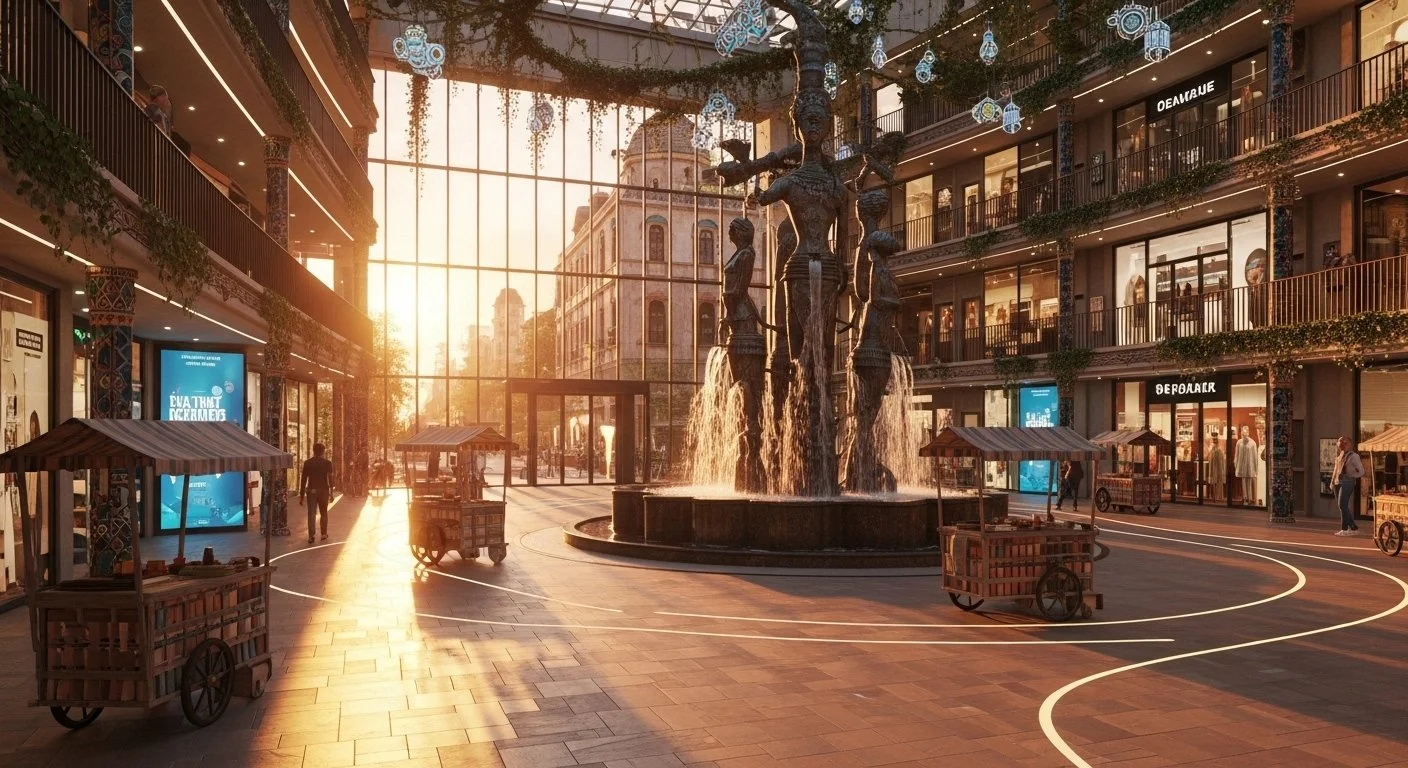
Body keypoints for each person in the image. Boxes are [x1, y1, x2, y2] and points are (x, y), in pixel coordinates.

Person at [299, 443, 335, 544]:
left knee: (311, 513)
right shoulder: (328, 463)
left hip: (312, 491)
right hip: (324, 491)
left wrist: (301, 496)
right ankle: (323, 534)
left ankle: (311, 536)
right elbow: (330, 479)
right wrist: (331, 493)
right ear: (323, 452)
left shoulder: (308, 463)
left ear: (313, 451)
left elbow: (303, 479)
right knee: (324, 512)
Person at [1331, 436, 1365, 536]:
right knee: (1342, 506)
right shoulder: (1340, 455)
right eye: (1339, 442)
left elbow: (1361, 471)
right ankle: (1353, 527)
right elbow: (1336, 469)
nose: (1341, 444)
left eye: (1344, 442)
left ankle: (1344, 529)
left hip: (1347, 482)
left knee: (1342, 504)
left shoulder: (1354, 456)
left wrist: (1352, 476)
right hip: (1338, 482)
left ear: (1349, 444)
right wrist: (1332, 482)